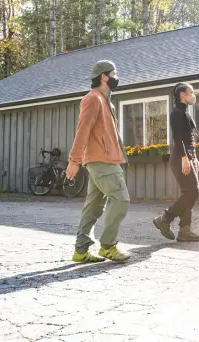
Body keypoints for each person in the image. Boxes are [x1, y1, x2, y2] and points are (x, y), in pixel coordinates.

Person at [66, 60, 131, 263]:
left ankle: (81, 250)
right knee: (121, 200)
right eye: (114, 73)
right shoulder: (93, 99)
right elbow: (83, 130)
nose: (116, 77)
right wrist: (74, 160)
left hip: (103, 160)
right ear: (104, 76)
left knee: (94, 206)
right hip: (103, 161)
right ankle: (108, 245)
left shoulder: (105, 101)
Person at [152, 83, 199, 242]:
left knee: (189, 193)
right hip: (180, 157)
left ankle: (184, 230)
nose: (193, 95)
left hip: (188, 155)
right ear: (183, 94)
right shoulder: (176, 113)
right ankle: (164, 219)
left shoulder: (184, 112)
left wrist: (194, 158)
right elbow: (178, 138)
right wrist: (185, 159)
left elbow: (189, 139)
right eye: (191, 92)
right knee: (193, 192)